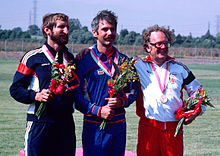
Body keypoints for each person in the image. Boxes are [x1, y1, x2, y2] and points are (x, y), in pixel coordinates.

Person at [10, 13, 76, 156]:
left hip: (66, 124)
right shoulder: (32, 57)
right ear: (47, 30)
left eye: (67, 27)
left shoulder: (71, 58)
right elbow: (15, 89)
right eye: (61, 27)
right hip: (40, 122)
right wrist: (36, 96)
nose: (66, 31)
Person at [134, 24, 206, 156]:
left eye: (166, 43)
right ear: (147, 47)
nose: (163, 47)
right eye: (158, 44)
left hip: (173, 130)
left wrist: (195, 112)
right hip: (148, 128)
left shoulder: (179, 68)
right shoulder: (137, 66)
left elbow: (199, 93)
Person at [74, 10, 137, 156]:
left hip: (119, 125)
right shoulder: (83, 60)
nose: (109, 33)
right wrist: (98, 110)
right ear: (95, 32)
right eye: (105, 29)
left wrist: (121, 102)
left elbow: (133, 91)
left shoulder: (124, 61)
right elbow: (76, 97)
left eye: (112, 29)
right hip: (94, 125)